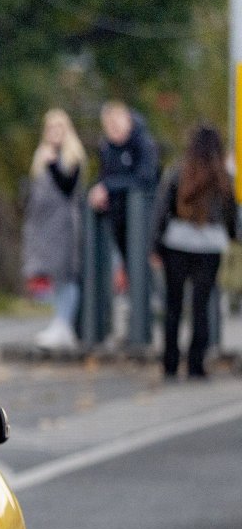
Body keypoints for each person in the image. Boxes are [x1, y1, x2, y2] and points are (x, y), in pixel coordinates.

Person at [150, 123, 237, 379]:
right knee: (201, 305)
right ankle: (197, 363)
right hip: (210, 246)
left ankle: (170, 362)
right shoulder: (224, 176)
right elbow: (230, 214)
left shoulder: (179, 171)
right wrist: (231, 237)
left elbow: (162, 208)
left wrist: (155, 245)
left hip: (177, 243)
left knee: (174, 305)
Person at [23, 109, 86, 348]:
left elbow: (68, 188)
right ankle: (58, 322)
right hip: (44, 226)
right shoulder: (40, 158)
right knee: (53, 276)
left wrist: (52, 165)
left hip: (64, 225)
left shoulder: (72, 158)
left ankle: (64, 323)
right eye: (50, 129)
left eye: (59, 128)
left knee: (66, 273)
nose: (54, 133)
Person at [88, 101, 161, 277]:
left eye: (116, 125)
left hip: (144, 219)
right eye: (108, 127)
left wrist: (108, 187)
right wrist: (98, 192)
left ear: (127, 119)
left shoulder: (144, 143)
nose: (113, 131)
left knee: (144, 268)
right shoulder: (107, 147)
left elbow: (145, 178)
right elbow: (105, 176)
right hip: (117, 218)